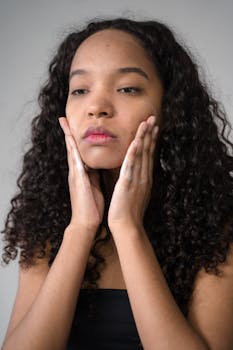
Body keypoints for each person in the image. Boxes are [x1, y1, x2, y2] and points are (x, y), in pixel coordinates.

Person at [1, 17, 233, 350]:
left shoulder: (215, 224)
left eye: (127, 88)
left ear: (170, 109)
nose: (96, 107)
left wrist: (127, 228)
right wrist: (80, 228)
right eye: (80, 90)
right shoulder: (45, 220)